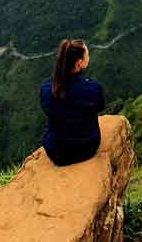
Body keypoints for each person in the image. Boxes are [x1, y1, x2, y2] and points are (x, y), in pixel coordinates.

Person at [40, 38, 105, 166]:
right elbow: (100, 106)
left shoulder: (47, 89)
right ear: (79, 63)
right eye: (87, 54)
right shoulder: (92, 88)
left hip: (56, 151)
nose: (89, 56)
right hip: (86, 147)